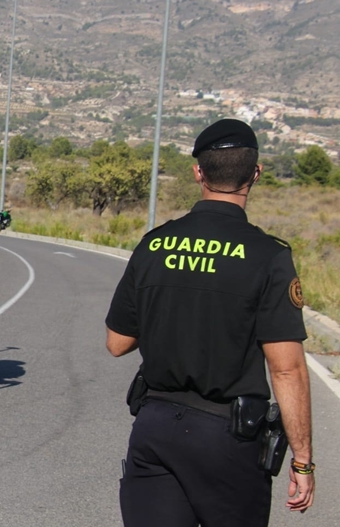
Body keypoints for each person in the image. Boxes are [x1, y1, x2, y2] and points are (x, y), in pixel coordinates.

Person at [105, 119, 314, 526]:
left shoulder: (156, 243)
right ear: (255, 174)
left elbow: (117, 342)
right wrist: (302, 461)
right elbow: (286, 368)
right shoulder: (268, 256)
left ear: (198, 172)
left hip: (156, 427)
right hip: (227, 439)